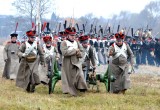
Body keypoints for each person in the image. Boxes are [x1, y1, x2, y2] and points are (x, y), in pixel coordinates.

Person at [60, 27, 87, 96]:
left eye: (74, 35)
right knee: (70, 79)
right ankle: (71, 92)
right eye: (71, 35)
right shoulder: (64, 43)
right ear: (68, 35)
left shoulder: (77, 42)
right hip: (67, 62)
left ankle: (82, 87)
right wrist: (75, 51)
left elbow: (82, 51)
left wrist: (79, 54)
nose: (73, 37)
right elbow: (64, 53)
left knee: (80, 74)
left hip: (76, 61)